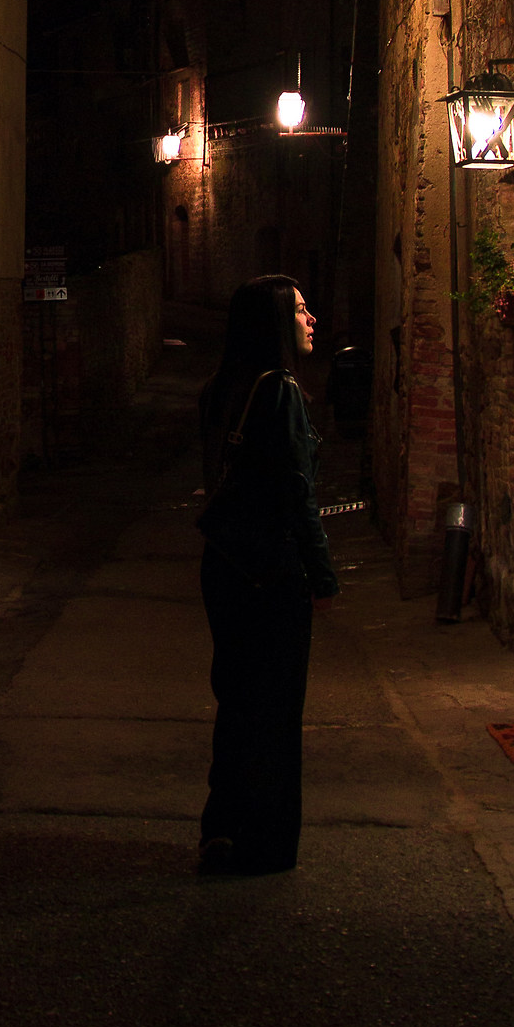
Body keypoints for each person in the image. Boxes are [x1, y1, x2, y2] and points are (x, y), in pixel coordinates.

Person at [194, 274, 338, 876]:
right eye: (301, 310)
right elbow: (296, 494)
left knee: (236, 700)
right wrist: (323, 575)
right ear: (275, 321)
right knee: (276, 710)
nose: (311, 320)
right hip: (270, 572)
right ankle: (265, 842)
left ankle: (222, 829)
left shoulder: (221, 387)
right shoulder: (280, 392)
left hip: (225, 567)